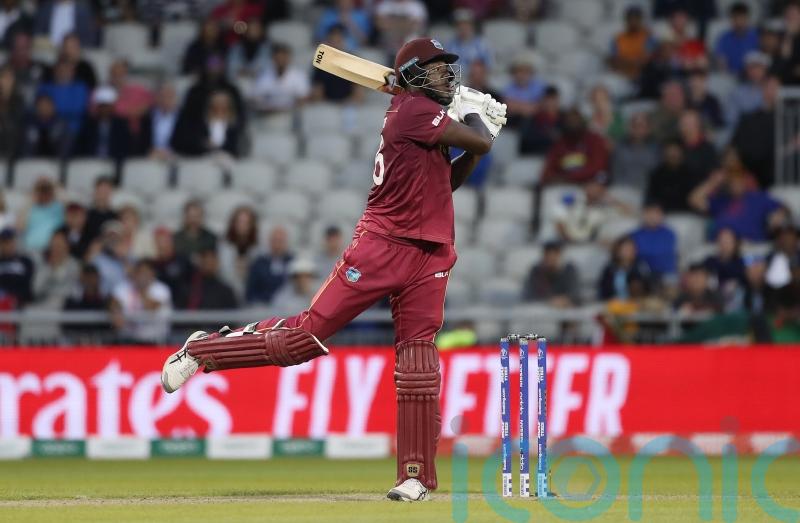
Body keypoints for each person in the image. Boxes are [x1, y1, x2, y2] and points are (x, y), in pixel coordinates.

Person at [160, 37, 503, 502]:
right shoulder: (412, 111)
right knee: (304, 338)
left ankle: (415, 475)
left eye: (449, 69)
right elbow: (480, 137)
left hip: (431, 251)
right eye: (438, 68)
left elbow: (450, 179)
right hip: (382, 245)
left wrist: (476, 146)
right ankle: (205, 350)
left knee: (418, 361)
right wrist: (476, 117)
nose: (447, 75)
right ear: (414, 75)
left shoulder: (426, 116)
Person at [689, 148, 783, 242]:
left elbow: (783, 208)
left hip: (751, 245)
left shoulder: (758, 197)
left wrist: (779, 215)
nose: (736, 183)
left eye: (739, 178)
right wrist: (713, 182)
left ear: (744, 180)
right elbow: (694, 199)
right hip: (720, 246)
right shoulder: (721, 201)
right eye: (732, 180)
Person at [540, 108, 609, 185]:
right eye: (570, 121)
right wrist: (554, 178)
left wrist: (570, 177)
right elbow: (547, 172)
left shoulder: (594, 140)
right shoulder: (560, 144)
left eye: (575, 121)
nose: (573, 124)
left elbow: (597, 167)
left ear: (582, 122)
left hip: (589, 184)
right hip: (564, 185)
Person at [110, 258, 172, 343]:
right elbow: (114, 301)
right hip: (128, 340)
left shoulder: (161, 289)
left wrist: (141, 289)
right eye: (139, 272)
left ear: (152, 273)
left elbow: (151, 307)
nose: (142, 276)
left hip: (155, 341)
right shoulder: (124, 286)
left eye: (145, 272)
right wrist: (116, 311)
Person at [251, 43, 311, 114]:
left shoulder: (299, 76)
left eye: (284, 58)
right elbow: (255, 99)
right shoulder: (264, 75)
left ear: (289, 58)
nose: (281, 61)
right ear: (273, 58)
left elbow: (303, 99)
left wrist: (286, 109)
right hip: (268, 115)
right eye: (278, 58)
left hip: (291, 115)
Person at [218, 205, 259, 302]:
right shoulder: (224, 247)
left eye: (246, 222)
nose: (242, 226)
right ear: (233, 223)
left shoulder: (258, 248)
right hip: (227, 293)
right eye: (239, 222)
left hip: (251, 295)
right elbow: (222, 273)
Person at [521, 240, 581, 307]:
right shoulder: (537, 272)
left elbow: (576, 294)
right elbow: (529, 295)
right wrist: (548, 300)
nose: (550, 260)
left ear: (559, 255)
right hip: (542, 308)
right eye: (547, 256)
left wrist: (564, 300)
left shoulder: (569, 271)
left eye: (553, 257)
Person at [245, 224, 294, 304]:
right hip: (262, 305)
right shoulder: (259, 263)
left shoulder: (293, 262)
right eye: (275, 240)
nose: (277, 245)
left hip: (287, 305)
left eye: (281, 241)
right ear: (269, 241)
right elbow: (251, 291)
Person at [644, 139, 697, 212]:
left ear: (682, 153)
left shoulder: (691, 173)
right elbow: (650, 198)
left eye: (675, 151)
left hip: (686, 213)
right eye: (669, 151)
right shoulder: (656, 174)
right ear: (664, 153)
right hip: (662, 214)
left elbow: (694, 199)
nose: (673, 154)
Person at [611, 112, 659, 191]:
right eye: (634, 126)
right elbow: (615, 172)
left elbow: (657, 174)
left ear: (648, 129)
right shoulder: (620, 147)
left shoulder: (656, 149)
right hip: (621, 188)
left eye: (641, 126)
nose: (637, 130)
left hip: (647, 191)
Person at [32, 229, 79, 308]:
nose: (56, 248)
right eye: (54, 244)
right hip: (43, 306)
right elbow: (36, 290)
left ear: (67, 246)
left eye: (59, 245)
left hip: (66, 308)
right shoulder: (43, 265)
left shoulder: (74, 265)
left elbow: (75, 293)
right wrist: (50, 270)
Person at [609, 5, 657, 81]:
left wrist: (627, 62)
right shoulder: (618, 38)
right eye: (630, 19)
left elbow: (647, 60)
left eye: (636, 19)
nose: (633, 22)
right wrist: (627, 63)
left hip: (643, 77)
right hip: (621, 75)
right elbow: (614, 60)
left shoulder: (648, 37)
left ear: (640, 20)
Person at [17, 176, 64, 253]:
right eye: (41, 191)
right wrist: (32, 196)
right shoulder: (29, 208)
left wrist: (52, 184)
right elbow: (19, 227)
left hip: (51, 251)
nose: (44, 194)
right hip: (30, 250)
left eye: (47, 191)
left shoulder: (59, 207)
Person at [598, 236, 653, 300]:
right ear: (618, 251)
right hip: (613, 302)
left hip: (636, 301)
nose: (630, 252)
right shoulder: (610, 268)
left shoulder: (641, 266)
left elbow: (648, 286)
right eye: (626, 249)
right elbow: (603, 289)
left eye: (632, 249)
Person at [714, 2, 760, 75]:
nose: (738, 22)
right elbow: (722, 63)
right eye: (735, 18)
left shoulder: (757, 37)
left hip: (753, 76)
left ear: (747, 18)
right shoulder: (724, 39)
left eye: (741, 18)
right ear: (731, 19)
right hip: (731, 76)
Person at [0, 227, 33, 307]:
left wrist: (16, 298)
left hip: (20, 304)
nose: (8, 245)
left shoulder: (25, 261)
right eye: (5, 242)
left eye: (10, 241)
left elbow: (29, 286)